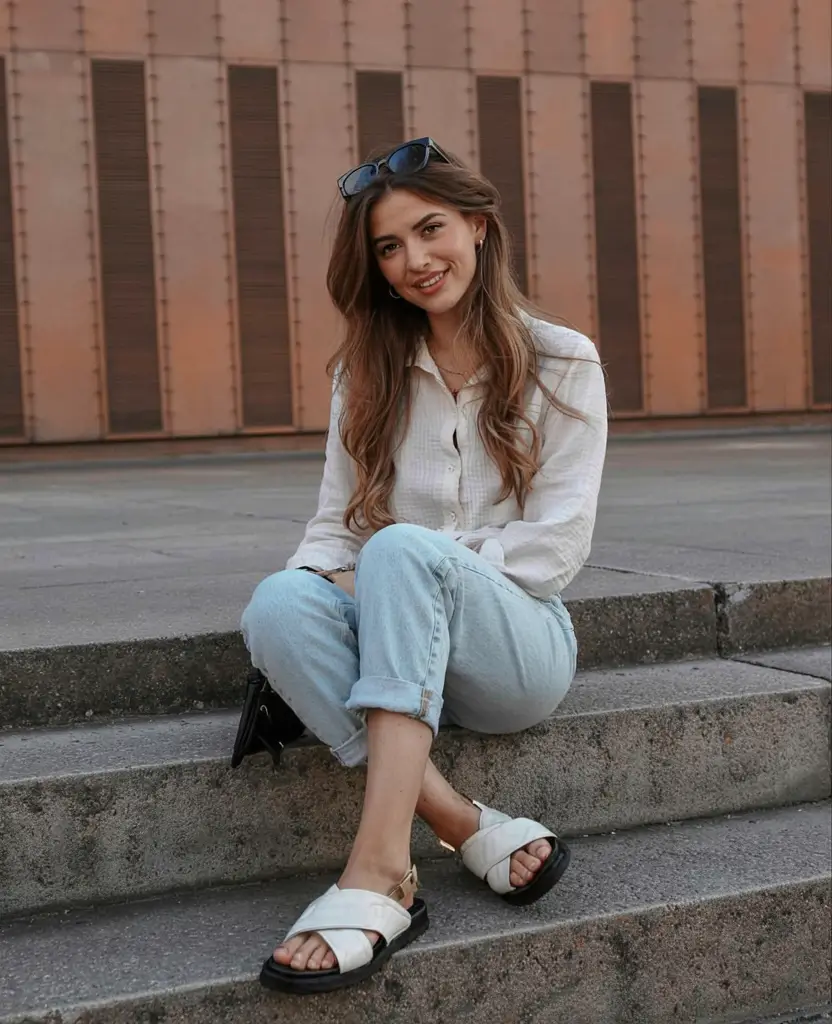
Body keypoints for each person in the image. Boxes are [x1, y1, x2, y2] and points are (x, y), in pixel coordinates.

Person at [241, 137, 608, 995]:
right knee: (275, 604)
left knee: (400, 548)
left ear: (477, 226)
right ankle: (457, 818)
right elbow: (333, 527)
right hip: (401, 631)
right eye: (389, 246)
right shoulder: (365, 373)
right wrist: (327, 582)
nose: (414, 260)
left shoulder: (562, 359)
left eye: (430, 229)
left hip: (515, 651)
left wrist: (408, 567)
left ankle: (380, 871)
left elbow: (557, 545)